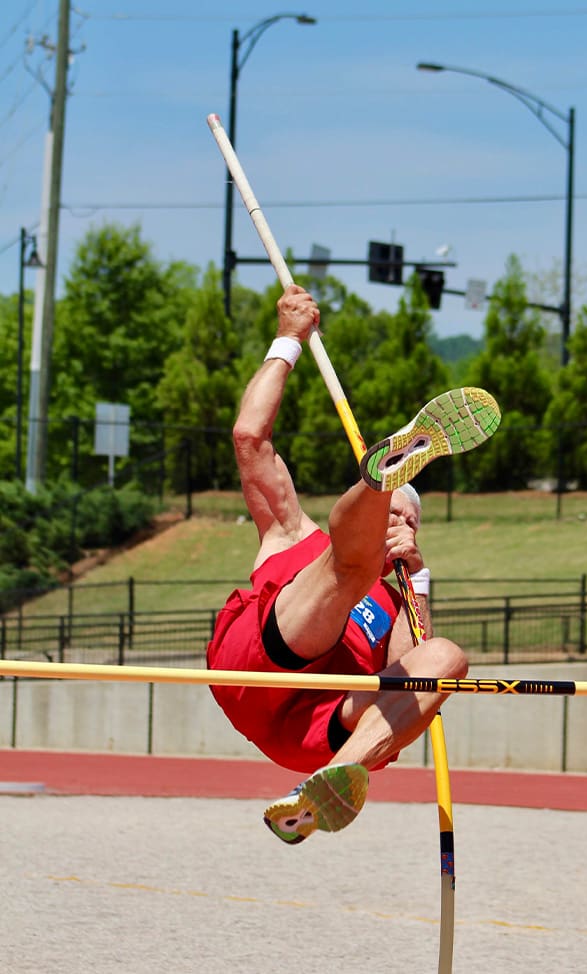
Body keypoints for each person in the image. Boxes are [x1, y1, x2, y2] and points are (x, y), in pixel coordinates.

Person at [207, 284, 500, 844]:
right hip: (255, 670)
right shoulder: (294, 533)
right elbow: (250, 437)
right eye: (395, 512)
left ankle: (330, 788)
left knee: (445, 658)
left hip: (319, 732)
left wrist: (416, 580)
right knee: (349, 568)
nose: (402, 527)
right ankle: (377, 474)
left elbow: (411, 681)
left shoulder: (397, 601)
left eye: (410, 522)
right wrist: (288, 340)